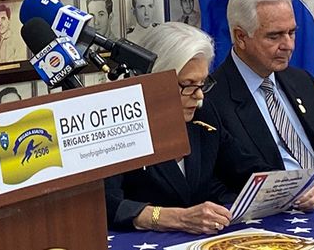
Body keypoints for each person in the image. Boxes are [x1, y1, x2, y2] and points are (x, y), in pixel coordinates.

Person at [105, 23, 298, 233]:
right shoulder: (119, 127)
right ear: (154, 81)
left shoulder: (203, 115)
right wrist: (174, 218)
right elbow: (108, 204)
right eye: (188, 84)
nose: (199, 96)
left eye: (203, 83)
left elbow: (244, 168)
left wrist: (290, 188)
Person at [207, 0, 314, 184]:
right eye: (274, 36)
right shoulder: (212, 99)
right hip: (277, 210)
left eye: (291, 32)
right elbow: (216, 189)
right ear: (240, 37)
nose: (288, 45)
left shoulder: (302, 82)